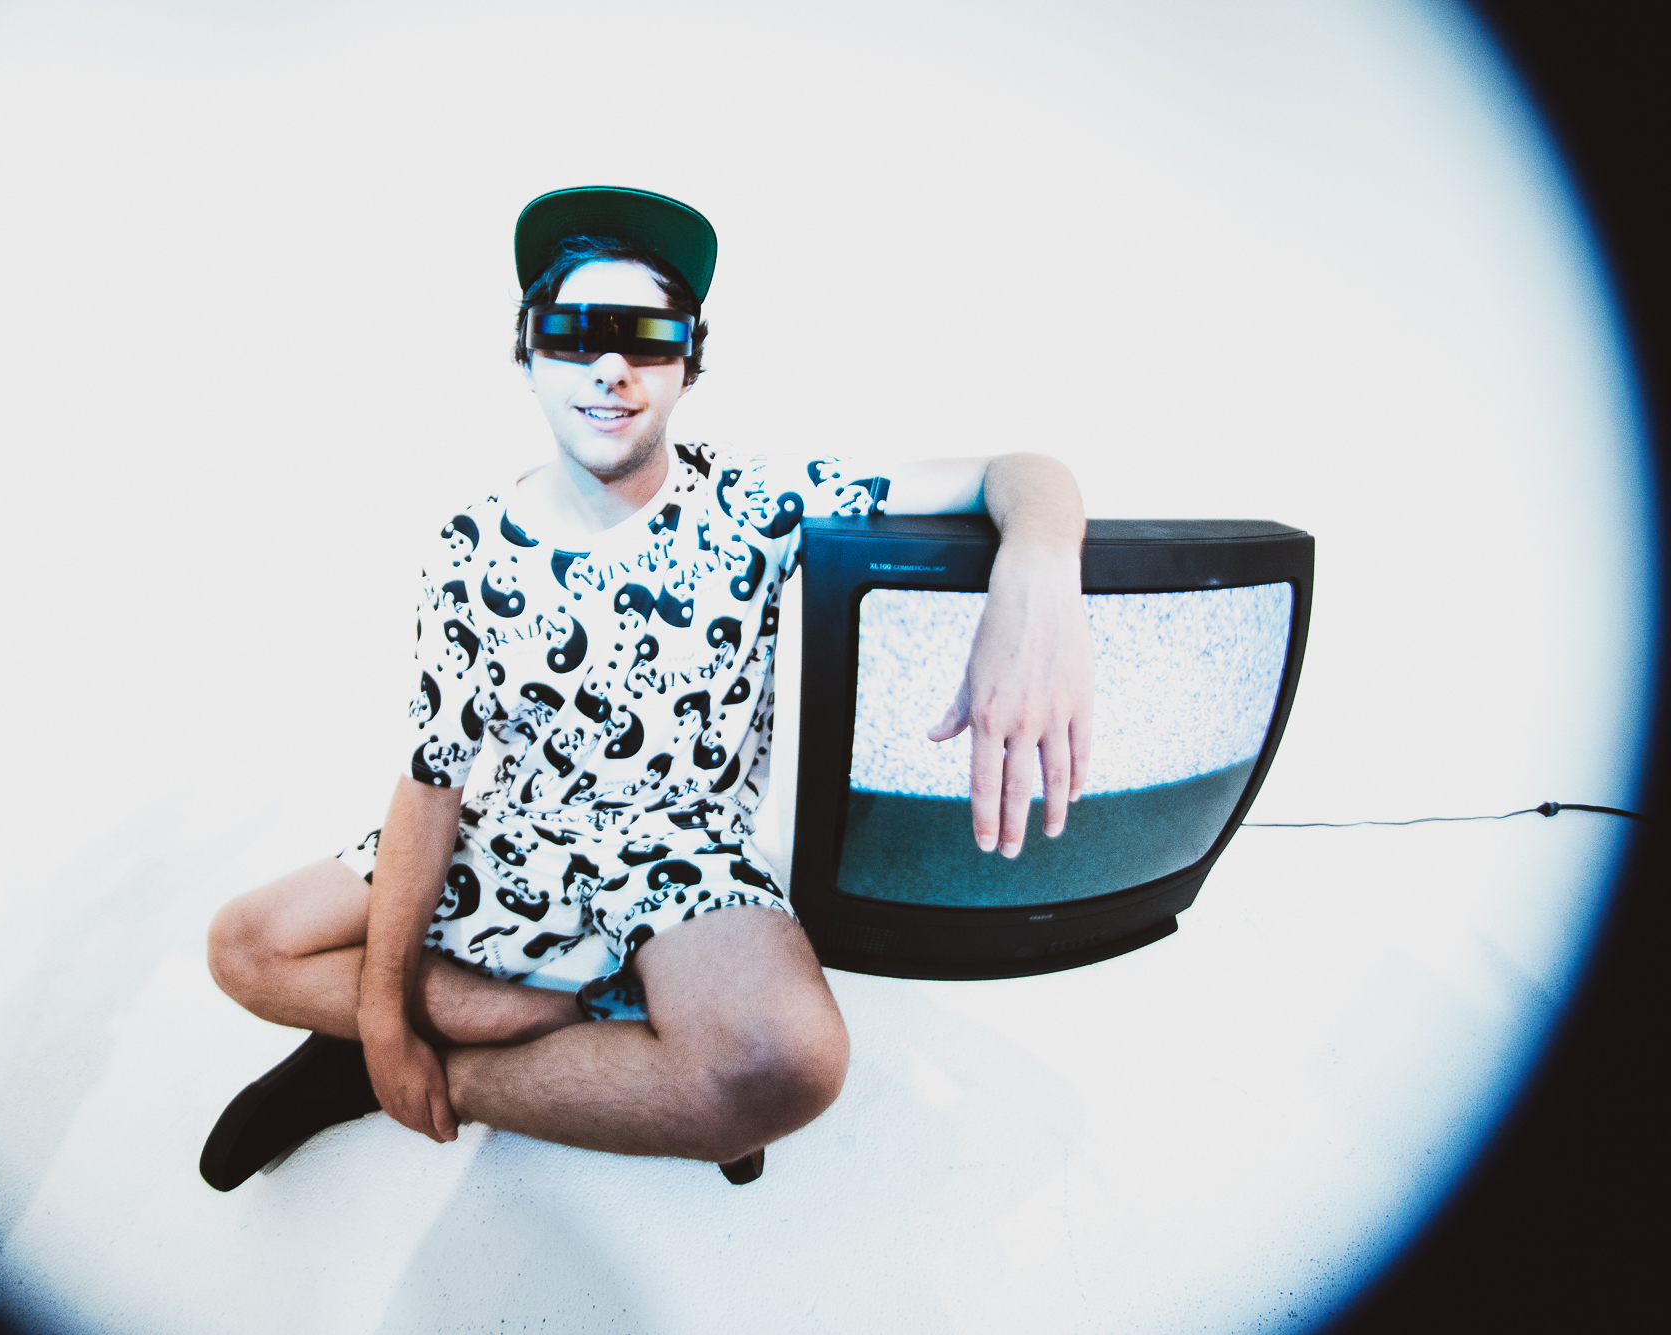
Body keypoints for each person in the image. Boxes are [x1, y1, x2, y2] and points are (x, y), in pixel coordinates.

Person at [200, 186, 1093, 1191]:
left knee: (785, 1065)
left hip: (679, 846)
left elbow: (1021, 472)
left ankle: (445, 1068)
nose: (611, 367)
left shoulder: (753, 501)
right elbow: (433, 775)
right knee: (244, 947)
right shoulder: (469, 545)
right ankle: (515, 1023)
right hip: (513, 834)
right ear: (527, 352)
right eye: (573, 334)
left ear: (687, 363)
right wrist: (379, 1015)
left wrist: (1038, 569)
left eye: (649, 338)